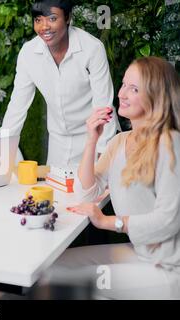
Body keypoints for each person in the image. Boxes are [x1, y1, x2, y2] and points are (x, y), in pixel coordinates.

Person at [47, 57, 180, 299]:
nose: (122, 94)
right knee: (51, 269)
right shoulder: (120, 141)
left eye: (134, 88)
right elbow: (87, 192)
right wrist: (91, 140)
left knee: (68, 284)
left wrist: (109, 221)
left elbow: (168, 220)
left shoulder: (170, 143)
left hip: (169, 267)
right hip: (141, 252)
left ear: (156, 97)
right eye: (123, 85)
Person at [0, 0, 119, 168]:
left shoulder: (92, 48)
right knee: (55, 193)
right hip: (58, 143)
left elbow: (104, 106)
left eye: (52, 18)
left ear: (68, 18)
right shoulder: (28, 53)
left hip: (94, 139)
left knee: (93, 191)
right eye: (38, 20)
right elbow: (17, 107)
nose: (44, 26)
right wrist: (2, 152)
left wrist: (103, 156)